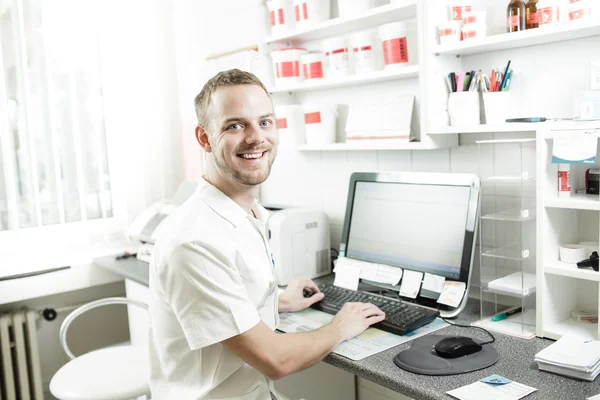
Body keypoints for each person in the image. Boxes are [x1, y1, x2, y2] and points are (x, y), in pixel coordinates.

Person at [148, 69, 385, 400]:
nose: (255, 137)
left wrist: (278, 301)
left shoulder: (246, 213)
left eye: (264, 122)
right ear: (204, 138)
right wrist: (340, 327)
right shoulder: (194, 241)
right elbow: (277, 359)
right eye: (235, 125)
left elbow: (230, 304)